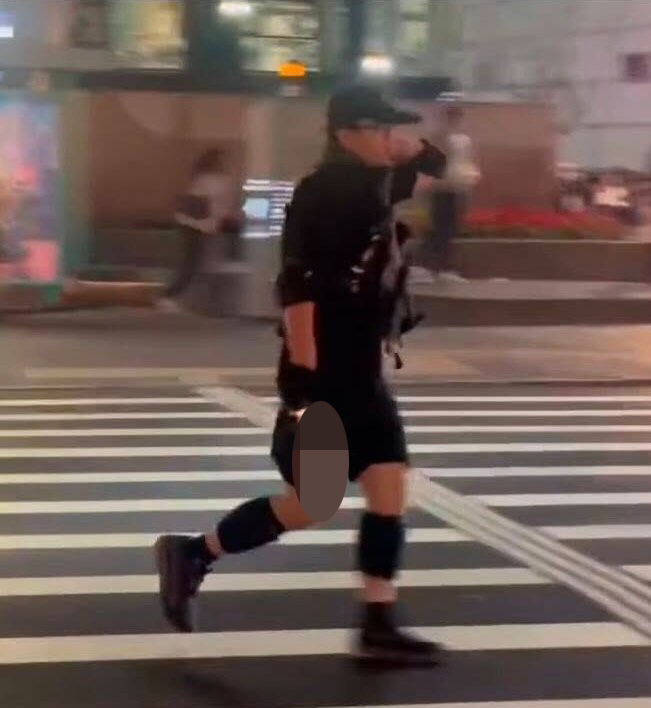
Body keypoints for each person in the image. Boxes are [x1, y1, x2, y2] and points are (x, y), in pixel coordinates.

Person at [154, 84, 447, 666]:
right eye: (380, 128)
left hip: (364, 372)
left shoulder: (374, 183)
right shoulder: (326, 194)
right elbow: (297, 286)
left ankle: (378, 623)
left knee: (389, 487)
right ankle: (193, 554)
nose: (390, 139)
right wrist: (306, 384)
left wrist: (410, 146)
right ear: (347, 134)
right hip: (326, 373)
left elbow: (434, 167)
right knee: (313, 503)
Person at [158, 147, 238, 310]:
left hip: (197, 224)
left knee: (198, 262)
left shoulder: (204, 179)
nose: (229, 163)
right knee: (195, 263)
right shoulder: (218, 181)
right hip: (201, 224)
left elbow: (204, 204)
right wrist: (214, 220)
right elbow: (215, 205)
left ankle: (179, 297)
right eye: (226, 160)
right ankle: (171, 296)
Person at [413, 104, 480, 284]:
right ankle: (423, 267)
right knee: (440, 228)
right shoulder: (439, 137)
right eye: (452, 116)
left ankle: (444, 268)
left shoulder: (463, 138)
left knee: (450, 229)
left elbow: (466, 162)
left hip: (458, 187)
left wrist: (469, 177)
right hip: (442, 188)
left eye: (458, 117)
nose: (456, 120)